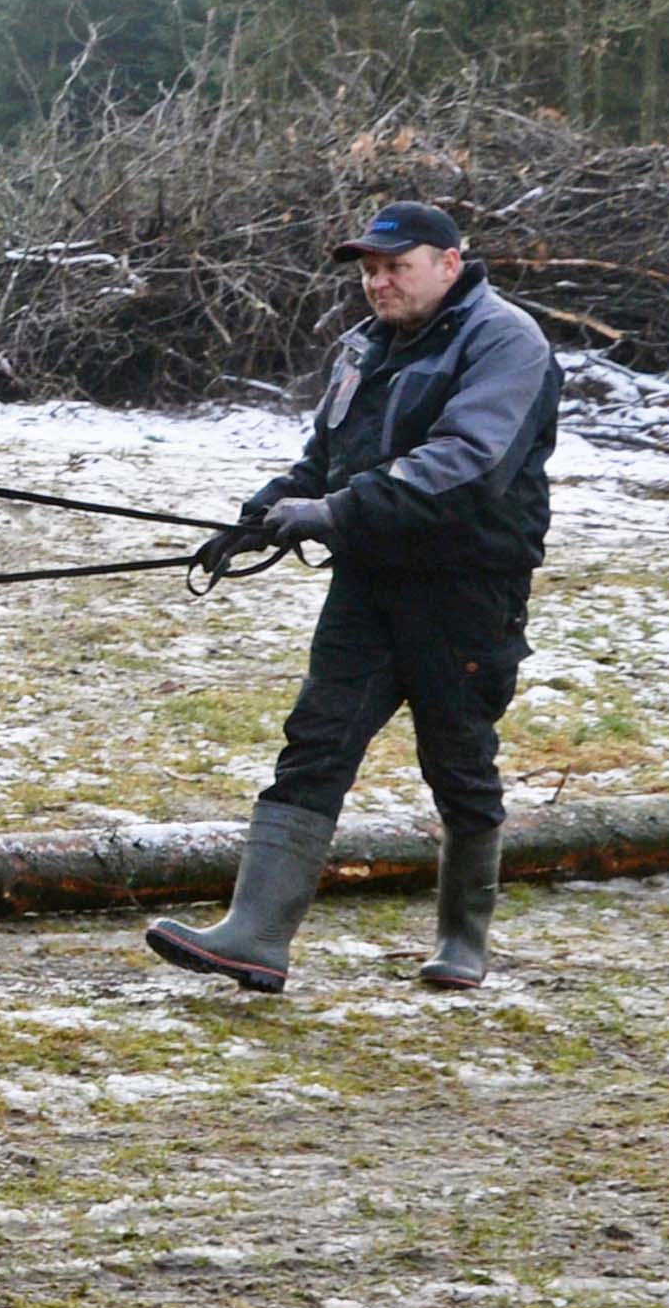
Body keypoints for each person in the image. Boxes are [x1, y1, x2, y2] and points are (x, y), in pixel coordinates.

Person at [148, 201, 560, 995]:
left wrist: (335, 512)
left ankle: (462, 941)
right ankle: (257, 938)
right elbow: (326, 461)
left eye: (394, 267)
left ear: (449, 263)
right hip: (368, 583)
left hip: (466, 590)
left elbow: (467, 463)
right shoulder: (361, 348)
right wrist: (259, 516)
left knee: (459, 763)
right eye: (369, 269)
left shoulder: (507, 341)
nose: (378, 282)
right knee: (315, 742)